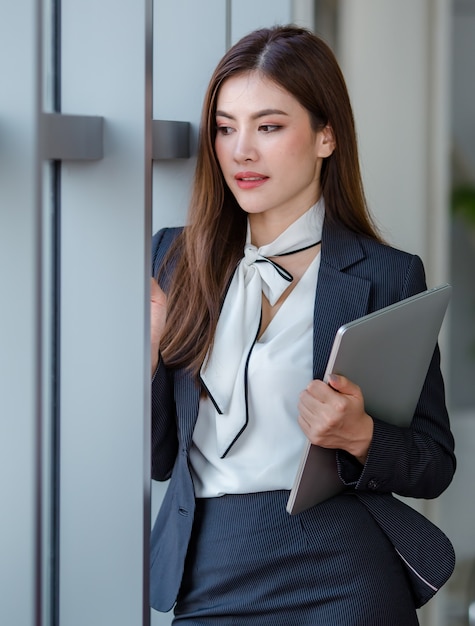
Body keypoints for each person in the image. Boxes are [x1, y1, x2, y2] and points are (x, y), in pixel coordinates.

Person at [149, 24, 456, 625]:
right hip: (210, 570)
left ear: (325, 135)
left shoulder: (387, 276)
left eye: (268, 127)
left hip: (341, 574)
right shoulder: (171, 259)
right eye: (225, 128)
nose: (241, 151)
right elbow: (158, 458)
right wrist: (149, 356)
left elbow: (434, 461)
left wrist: (360, 435)